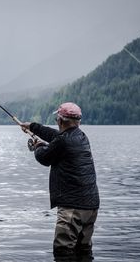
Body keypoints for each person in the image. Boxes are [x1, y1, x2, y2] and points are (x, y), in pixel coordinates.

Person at [21, 102, 100, 261]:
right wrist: (33, 127)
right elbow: (55, 136)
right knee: (83, 251)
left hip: (73, 208)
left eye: (57, 118)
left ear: (60, 121)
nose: (57, 121)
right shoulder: (81, 137)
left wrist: (37, 146)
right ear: (78, 121)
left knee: (62, 252)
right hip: (90, 206)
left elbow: (44, 157)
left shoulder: (63, 141)